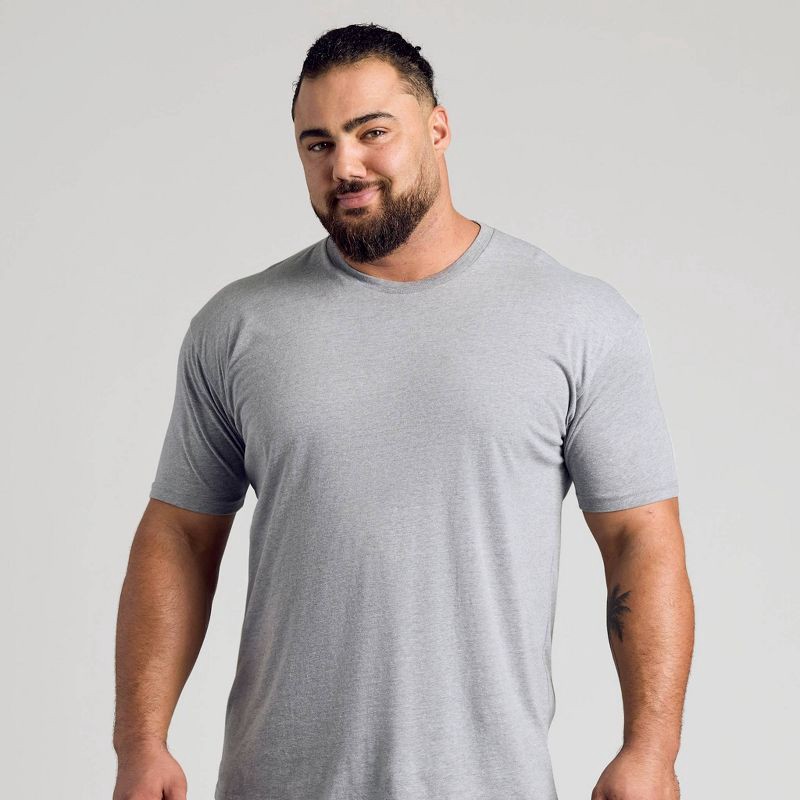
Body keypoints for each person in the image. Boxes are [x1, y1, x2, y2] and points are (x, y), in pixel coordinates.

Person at [113, 22, 695, 800]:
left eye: (371, 132)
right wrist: (140, 742)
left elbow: (640, 540)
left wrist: (651, 752)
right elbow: (180, 537)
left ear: (438, 128)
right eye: (317, 144)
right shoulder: (239, 326)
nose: (344, 165)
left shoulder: (577, 319)